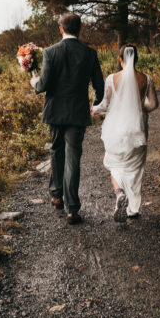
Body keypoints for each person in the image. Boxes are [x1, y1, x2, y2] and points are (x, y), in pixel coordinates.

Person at [31, 12, 105, 224]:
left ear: (61, 29)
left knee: (56, 150)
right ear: (79, 29)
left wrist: (34, 83)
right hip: (78, 111)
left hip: (55, 111)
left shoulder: (50, 52)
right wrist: (96, 104)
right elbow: (99, 85)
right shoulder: (89, 54)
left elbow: (43, 86)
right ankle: (72, 209)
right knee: (73, 157)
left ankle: (56, 195)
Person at [91, 44, 159, 222]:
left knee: (115, 164)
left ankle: (119, 193)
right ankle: (133, 209)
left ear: (120, 59)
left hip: (116, 129)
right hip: (137, 128)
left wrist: (94, 108)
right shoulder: (146, 78)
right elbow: (153, 105)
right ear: (136, 59)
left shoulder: (112, 78)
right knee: (135, 168)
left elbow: (105, 105)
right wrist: (138, 107)